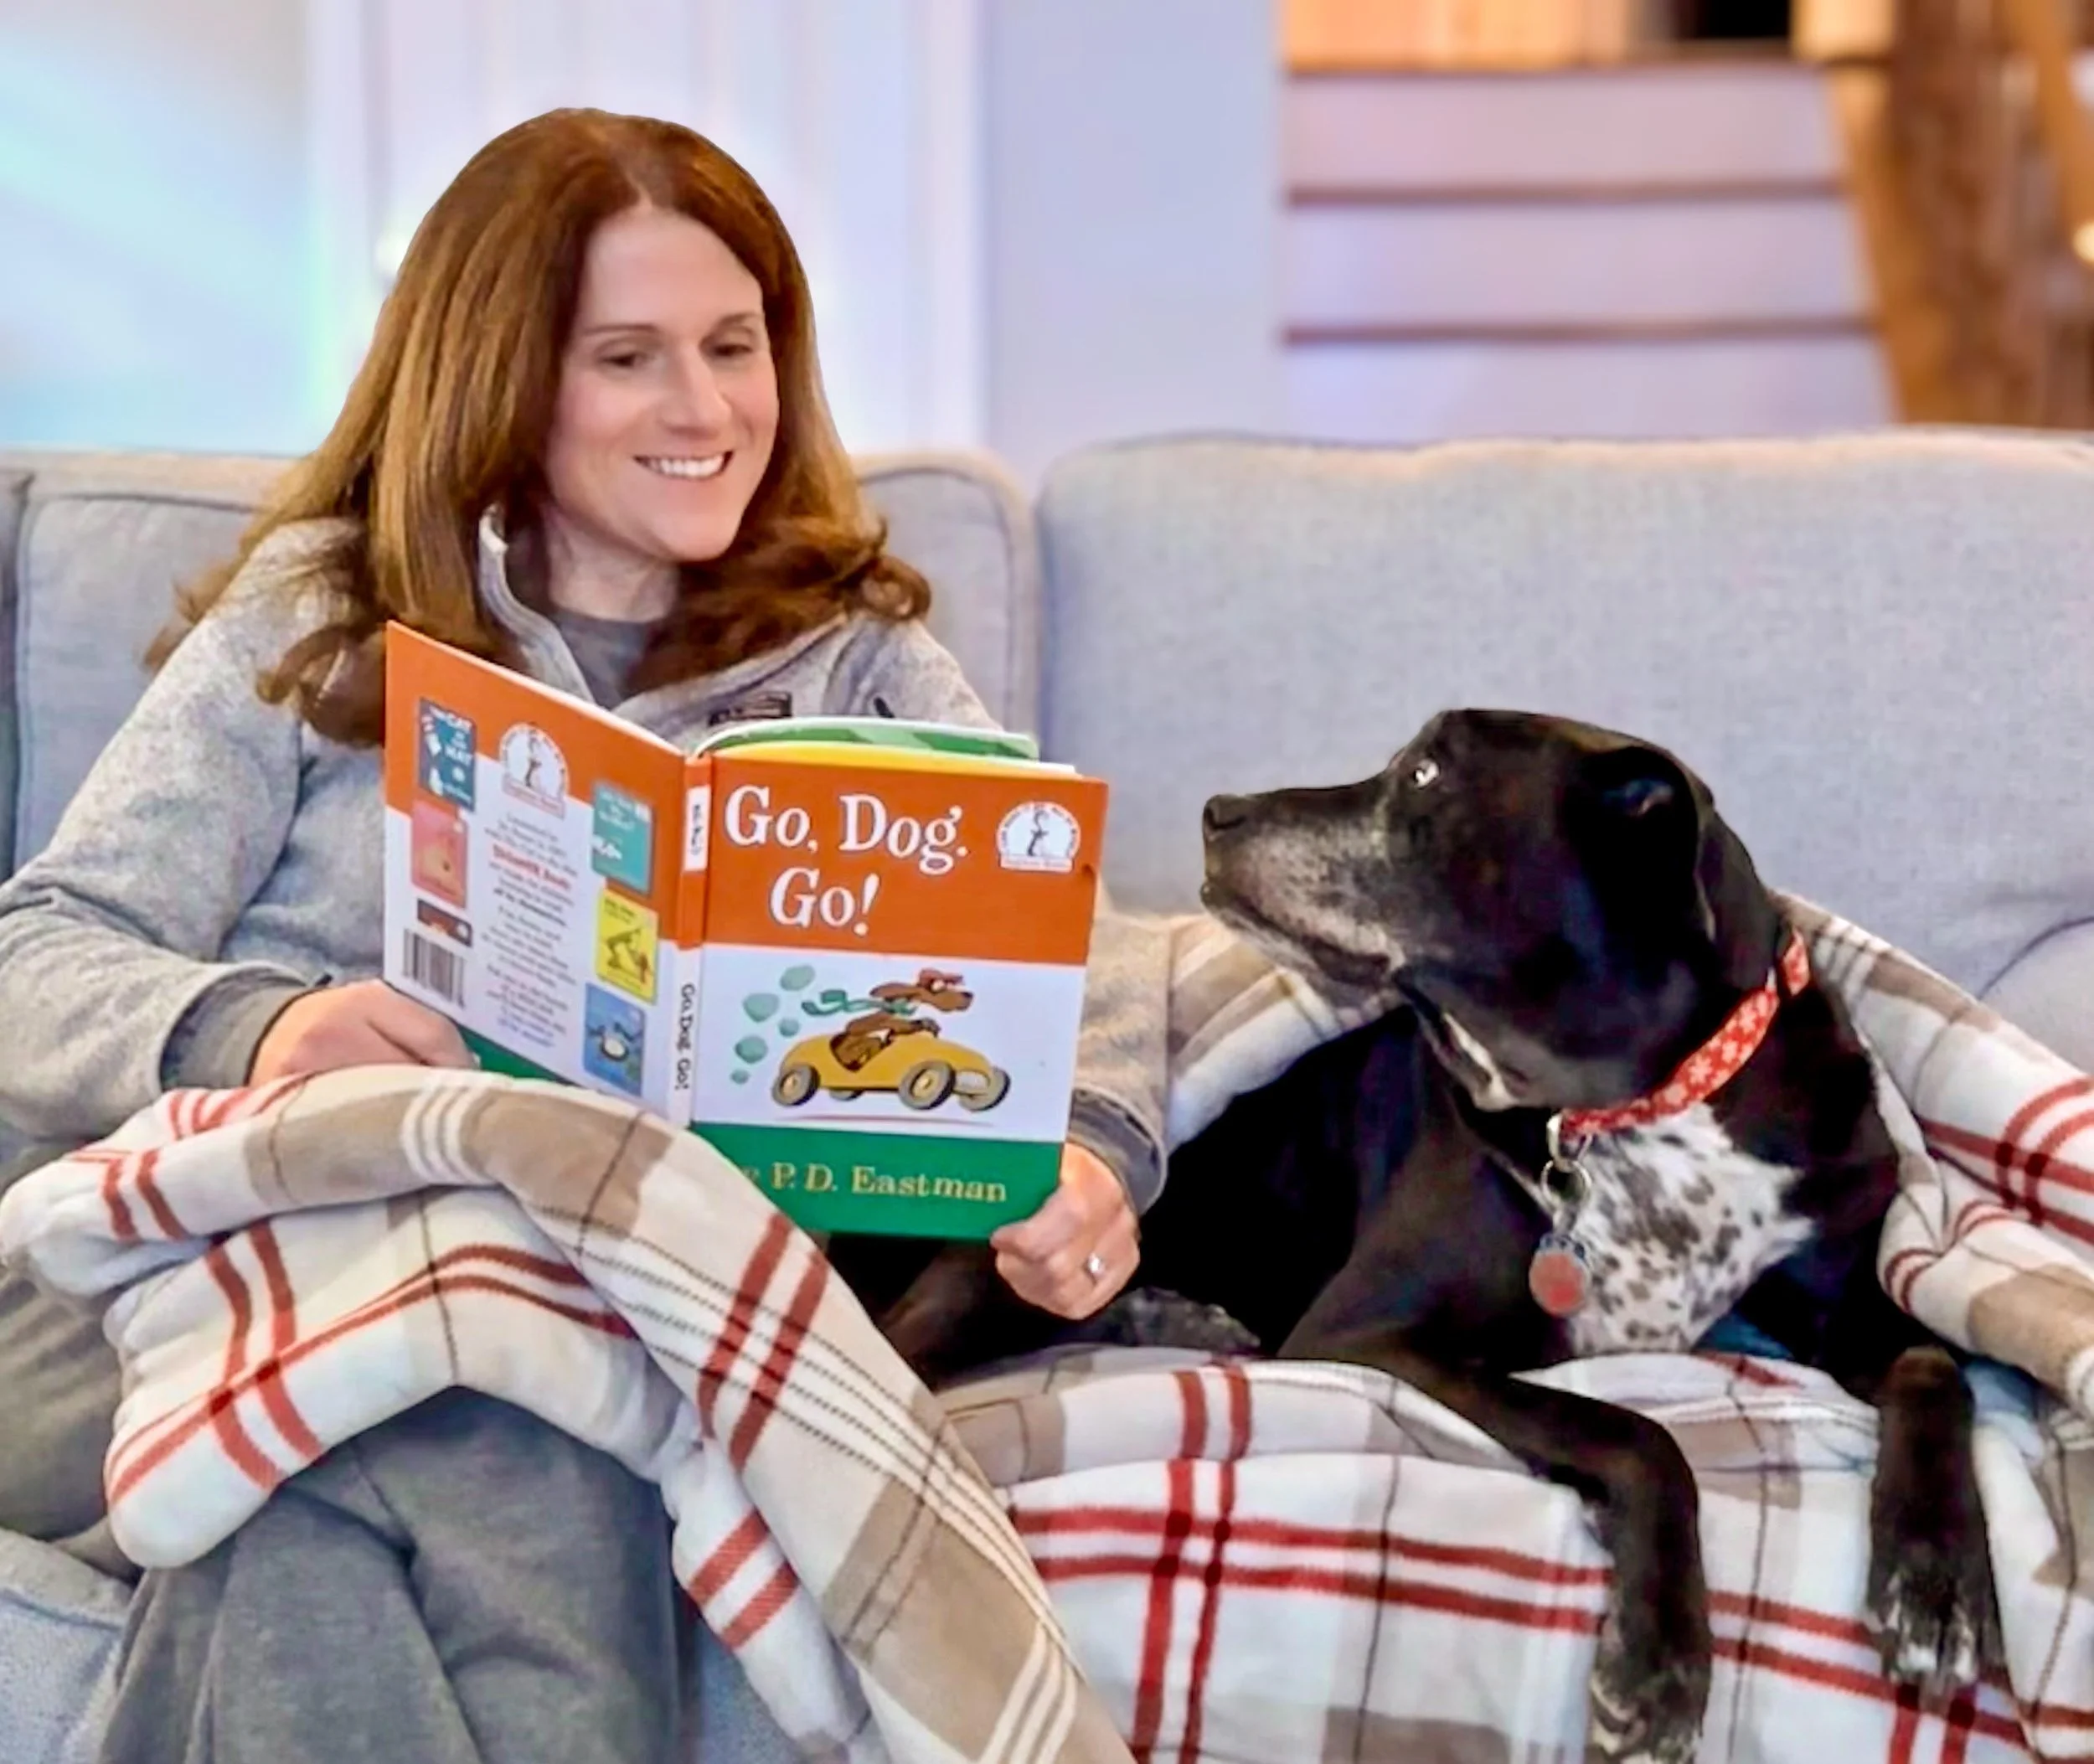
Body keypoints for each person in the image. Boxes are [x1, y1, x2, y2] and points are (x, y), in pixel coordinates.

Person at [0, 108, 1166, 1764]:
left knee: (380, 1474)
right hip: (189, 1276)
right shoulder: (325, 615)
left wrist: (1091, 1146)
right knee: (514, 1416)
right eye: (627, 358)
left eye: (731, 346)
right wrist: (265, 1030)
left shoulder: (859, 661)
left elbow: (1078, 957)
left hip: (579, 1299)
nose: (703, 412)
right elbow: (37, 950)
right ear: (503, 374)